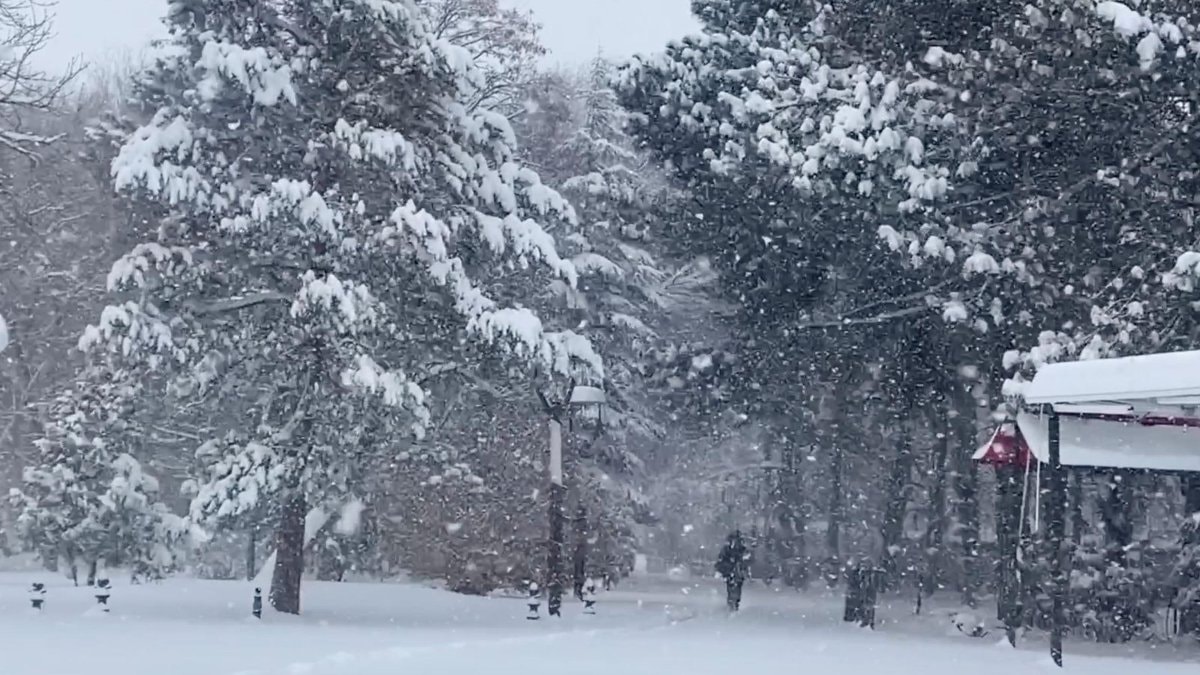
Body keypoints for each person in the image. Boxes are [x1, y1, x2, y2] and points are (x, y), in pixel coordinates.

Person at [715, 530, 749, 612]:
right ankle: (732, 602)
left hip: (735, 571)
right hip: (731, 571)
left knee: (735, 586)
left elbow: (746, 558)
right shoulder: (728, 549)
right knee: (732, 586)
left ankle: (734, 602)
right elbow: (721, 559)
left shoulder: (739, 549)